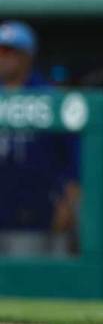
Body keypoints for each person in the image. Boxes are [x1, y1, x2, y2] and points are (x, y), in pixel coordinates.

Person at [0, 21, 79, 257]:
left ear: (27, 56)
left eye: (9, 52)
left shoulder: (51, 98)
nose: (2, 58)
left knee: (27, 287)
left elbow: (75, 164)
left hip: (36, 217)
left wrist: (69, 207)